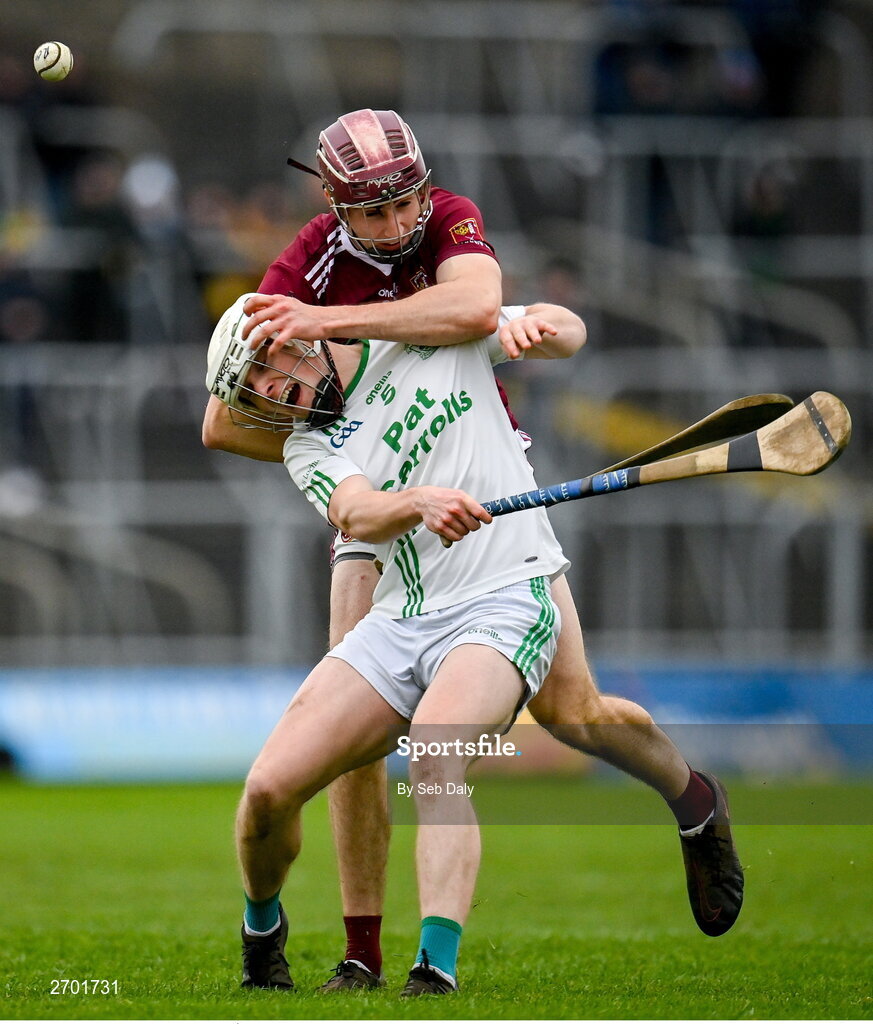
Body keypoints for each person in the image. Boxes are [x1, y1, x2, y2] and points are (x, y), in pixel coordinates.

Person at [202, 109, 744, 991]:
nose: (392, 225)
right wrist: (394, 491)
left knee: (556, 720)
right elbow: (236, 430)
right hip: (401, 553)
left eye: (401, 203)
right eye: (369, 213)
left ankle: (684, 807)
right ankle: (343, 948)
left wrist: (535, 333)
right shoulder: (305, 341)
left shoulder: (436, 286)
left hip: (503, 547)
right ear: (336, 210)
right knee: (305, 769)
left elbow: (525, 319)